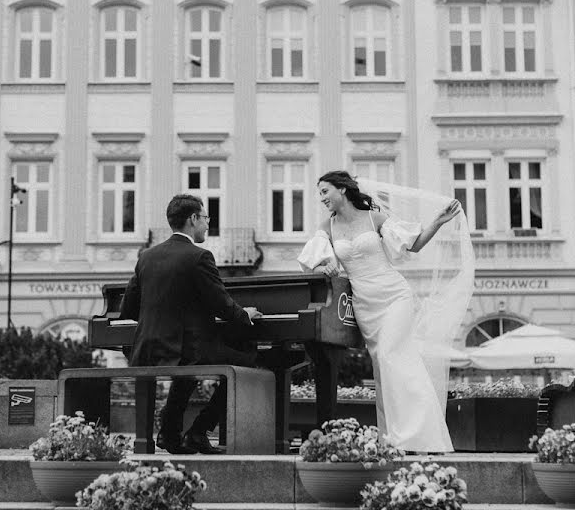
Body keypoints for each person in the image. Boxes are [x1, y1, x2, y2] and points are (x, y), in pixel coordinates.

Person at [297, 171, 474, 453]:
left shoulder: (374, 218)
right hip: (365, 305)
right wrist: (323, 266)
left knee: (393, 357)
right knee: (384, 367)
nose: (322, 199)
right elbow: (309, 263)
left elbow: (413, 245)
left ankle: (415, 436)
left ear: (342, 190)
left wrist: (438, 222)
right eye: (320, 193)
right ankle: (394, 438)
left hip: (394, 296)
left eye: (325, 191)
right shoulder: (327, 227)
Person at [119, 194, 262, 455]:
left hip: (148, 348)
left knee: (191, 365)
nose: (208, 224)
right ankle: (199, 430)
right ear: (193, 219)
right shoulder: (199, 257)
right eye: (206, 218)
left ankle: (170, 432)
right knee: (250, 359)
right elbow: (222, 305)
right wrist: (246, 314)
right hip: (185, 349)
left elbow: (128, 308)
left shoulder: (147, 257)